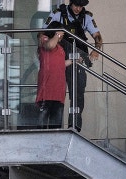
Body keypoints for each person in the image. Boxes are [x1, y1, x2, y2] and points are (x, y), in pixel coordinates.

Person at [42, 0, 103, 132]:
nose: (78, 9)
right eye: (76, 5)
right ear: (71, 3)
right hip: (59, 57)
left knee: (78, 93)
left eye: (81, 6)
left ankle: (74, 126)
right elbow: (43, 32)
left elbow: (97, 36)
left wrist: (96, 50)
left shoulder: (86, 17)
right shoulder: (58, 14)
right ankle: (54, 127)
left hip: (78, 58)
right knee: (57, 93)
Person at [36, 21, 76, 129]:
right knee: (42, 125)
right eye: (61, 34)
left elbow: (60, 64)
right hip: (47, 88)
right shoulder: (44, 39)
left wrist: (73, 60)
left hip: (59, 90)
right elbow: (49, 46)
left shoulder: (60, 48)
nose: (61, 36)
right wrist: (57, 34)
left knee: (56, 126)